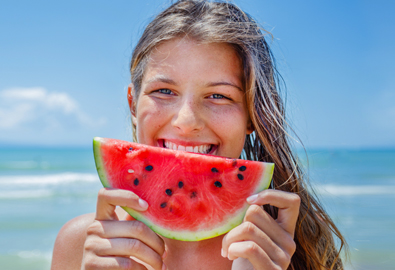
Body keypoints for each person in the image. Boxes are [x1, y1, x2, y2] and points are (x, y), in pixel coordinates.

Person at [51, 1, 346, 269]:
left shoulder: (292, 248)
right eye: (164, 91)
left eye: (218, 95)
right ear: (132, 103)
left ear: (252, 117)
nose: (187, 121)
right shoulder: (80, 246)